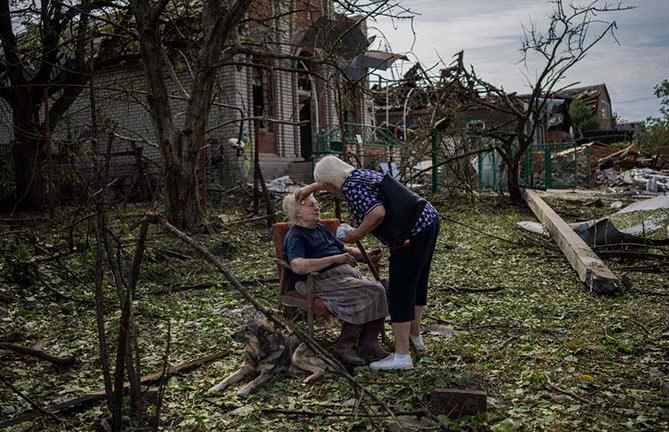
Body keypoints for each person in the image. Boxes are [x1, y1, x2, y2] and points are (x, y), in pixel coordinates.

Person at [295, 155, 440, 371]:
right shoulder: (359, 176)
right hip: (427, 219)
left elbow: (377, 213)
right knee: (417, 284)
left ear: (330, 184)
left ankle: (402, 356)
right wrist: (312, 187)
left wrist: (356, 234)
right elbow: (332, 179)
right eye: (310, 205)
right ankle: (414, 337)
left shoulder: (351, 189)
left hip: (410, 233)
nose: (316, 206)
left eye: (324, 189)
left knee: (400, 291)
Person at [282, 193, 389, 366]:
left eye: (316, 204)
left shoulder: (320, 228)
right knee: (372, 290)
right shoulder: (296, 235)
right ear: (298, 212)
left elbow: (343, 248)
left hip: (342, 276)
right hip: (316, 280)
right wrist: (334, 259)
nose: (317, 208)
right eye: (310, 205)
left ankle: (369, 341)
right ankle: (344, 345)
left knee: (384, 285)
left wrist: (365, 255)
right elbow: (297, 265)